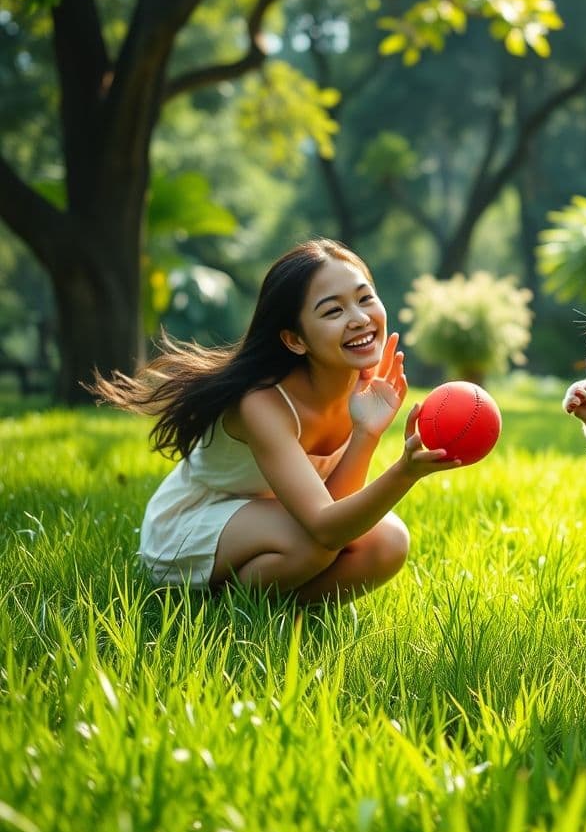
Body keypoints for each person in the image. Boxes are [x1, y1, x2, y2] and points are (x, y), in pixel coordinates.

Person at [92, 239, 458, 603]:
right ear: (295, 339)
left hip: (278, 523)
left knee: (389, 541)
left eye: (365, 298)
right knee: (312, 545)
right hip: (189, 528)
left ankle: (283, 614)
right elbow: (325, 528)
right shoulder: (261, 403)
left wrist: (367, 432)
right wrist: (404, 473)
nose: (360, 318)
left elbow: (334, 507)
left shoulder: (361, 386)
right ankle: (226, 609)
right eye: (333, 311)